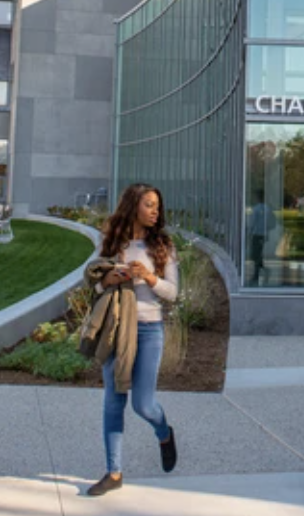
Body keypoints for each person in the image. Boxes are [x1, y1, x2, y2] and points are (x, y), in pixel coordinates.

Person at [85, 183, 179, 497]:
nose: (155, 211)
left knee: (143, 404)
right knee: (114, 401)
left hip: (150, 329)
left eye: (157, 206)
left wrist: (150, 278)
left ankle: (164, 432)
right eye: (149, 205)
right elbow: (95, 287)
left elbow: (173, 293)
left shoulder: (163, 244)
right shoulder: (113, 242)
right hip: (117, 329)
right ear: (133, 206)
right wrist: (108, 281)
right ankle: (114, 472)